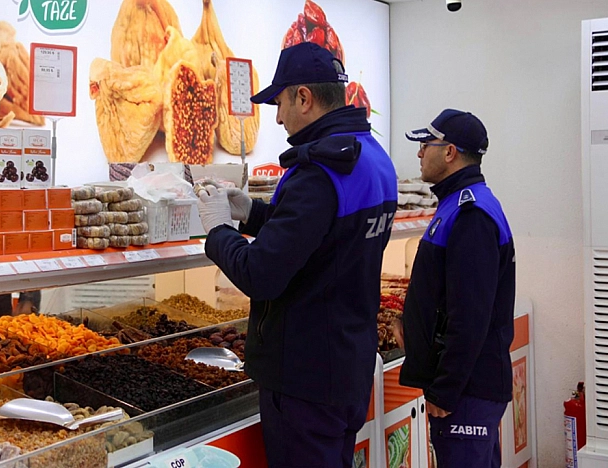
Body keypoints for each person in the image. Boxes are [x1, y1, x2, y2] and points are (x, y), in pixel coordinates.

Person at [196, 42, 397, 468]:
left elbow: (261, 274)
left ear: (304, 97)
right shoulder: (373, 158)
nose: (278, 116)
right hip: (346, 367)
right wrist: (252, 212)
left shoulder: (319, 171)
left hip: (305, 380)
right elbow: (323, 238)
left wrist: (216, 230)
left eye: (281, 102)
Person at [395, 109, 515, 467]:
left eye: (425, 144)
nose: (419, 153)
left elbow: (471, 317)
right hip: (465, 386)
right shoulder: (456, 203)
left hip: (467, 390)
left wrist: (446, 390)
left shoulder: (471, 215)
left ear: (449, 152)